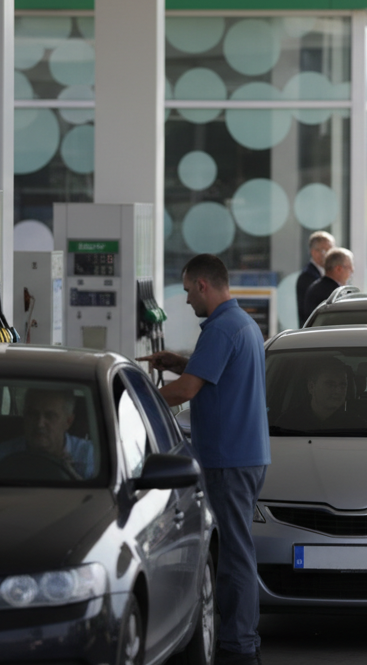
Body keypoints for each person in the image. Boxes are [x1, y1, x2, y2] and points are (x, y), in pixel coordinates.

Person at [138, 254, 269, 665]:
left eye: (187, 289)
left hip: (229, 457)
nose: (185, 298)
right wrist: (179, 362)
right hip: (242, 453)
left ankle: (240, 642)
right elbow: (211, 376)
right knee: (233, 550)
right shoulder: (240, 324)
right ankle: (237, 636)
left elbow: (186, 391)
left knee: (234, 554)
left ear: (202, 286)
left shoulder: (222, 329)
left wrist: (132, 405)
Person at [0, 389, 95, 479]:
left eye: (50, 416)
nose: (39, 424)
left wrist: (71, 475)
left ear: (68, 421)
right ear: (24, 417)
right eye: (33, 414)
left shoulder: (90, 456)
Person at [276, 357, 367, 430]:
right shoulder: (287, 423)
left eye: (343, 385)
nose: (338, 391)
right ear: (311, 387)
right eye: (330, 385)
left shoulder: (357, 426)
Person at [300, 246, 355, 325]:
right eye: (350, 267)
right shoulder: (332, 293)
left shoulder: (320, 287)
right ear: (338, 269)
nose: (352, 270)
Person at [295, 230, 334, 317]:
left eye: (332, 250)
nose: (330, 255)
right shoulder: (307, 276)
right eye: (326, 251)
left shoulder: (323, 272)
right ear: (314, 252)